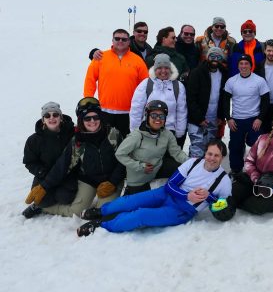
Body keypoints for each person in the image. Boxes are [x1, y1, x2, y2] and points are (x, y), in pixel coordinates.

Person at [76, 140, 233, 236]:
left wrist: (209, 196)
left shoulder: (223, 180)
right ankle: (101, 211)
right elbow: (171, 185)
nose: (212, 158)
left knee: (141, 215)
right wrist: (187, 195)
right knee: (131, 201)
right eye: (210, 154)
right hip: (167, 194)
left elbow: (223, 205)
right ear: (205, 153)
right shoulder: (193, 163)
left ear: (222, 157)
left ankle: (102, 226)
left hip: (182, 211)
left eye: (216, 155)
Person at [24, 97, 125, 217]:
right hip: (89, 180)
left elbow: (123, 160)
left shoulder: (113, 134)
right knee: (76, 211)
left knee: (104, 211)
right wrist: (44, 187)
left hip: (110, 180)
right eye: (87, 118)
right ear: (82, 120)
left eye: (96, 117)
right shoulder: (77, 141)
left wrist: (113, 182)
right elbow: (63, 165)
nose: (92, 121)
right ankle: (43, 208)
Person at [84, 29, 149, 136]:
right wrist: (88, 100)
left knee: (126, 145)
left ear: (129, 41)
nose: (120, 41)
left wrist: (144, 106)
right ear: (112, 40)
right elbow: (90, 79)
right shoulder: (100, 57)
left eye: (124, 39)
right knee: (106, 144)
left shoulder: (137, 60)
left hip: (129, 113)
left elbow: (145, 85)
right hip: (105, 111)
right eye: (117, 38)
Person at [116, 100, 187, 195]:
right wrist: (139, 166)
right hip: (138, 180)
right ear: (147, 116)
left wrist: (192, 163)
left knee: (181, 168)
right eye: (154, 115)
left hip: (156, 172)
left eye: (161, 116)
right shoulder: (137, 136)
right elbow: (120, 154)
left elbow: (177, 153)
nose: (158, 119)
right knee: (136, 207)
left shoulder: (167, 134)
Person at [21, 102, 76, 219]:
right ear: (43, 120)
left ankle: (49, 204)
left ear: (61, 118)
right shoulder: (34, 140)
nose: (52, 118)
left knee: (65, 198)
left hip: (66, 175)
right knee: (41, 200)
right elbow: (29, 162)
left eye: (55, 115)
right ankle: (38, 206)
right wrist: (40, 171)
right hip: (44, 176)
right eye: (47, 116)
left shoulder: (70, 133)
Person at [223, 54, 270, 175]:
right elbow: (225, 101)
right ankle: (236, 170)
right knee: (235, 147)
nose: (243, 66)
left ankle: (258, 170)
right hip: (237, 120)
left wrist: (260, 118)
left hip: (254, 119)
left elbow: (266, 101)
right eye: (241, 64)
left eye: (246, 63)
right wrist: (228, 118)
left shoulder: (259, 80)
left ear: (251, 65)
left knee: (258, 146)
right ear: (238, 66)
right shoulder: (231, 81)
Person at [130, 53, 187, 148]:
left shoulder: (178, 86)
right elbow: (136, 109)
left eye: (166, 68)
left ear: (170, 69)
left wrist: (180, 132)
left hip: (169, 131)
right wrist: (135, 131)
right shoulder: (146, 84)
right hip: (148, 131)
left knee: (169, 160)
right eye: (159, 68)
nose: (163, 71)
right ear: (154, 69)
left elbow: (181, 111)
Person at [186, 47, 228, 158]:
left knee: (209, 150)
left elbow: (224, 97)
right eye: (212, 56)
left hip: (213, 120)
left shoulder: (224, 73)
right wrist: (199, 118)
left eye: (218, 57)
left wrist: (221, 116)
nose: (215, 59)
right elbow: (190, 98)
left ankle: (206, 174)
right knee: (197, 150)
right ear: (207, 57)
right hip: (197, 119)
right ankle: (193, 172)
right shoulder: (197, 72)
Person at [254, 39, 273, 133]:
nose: (271, 53)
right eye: (269, 50)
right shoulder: (259, 67)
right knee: (265, 136)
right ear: (264, 51)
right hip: (263, 107)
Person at [88, 21, 153, 63]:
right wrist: (94, 52)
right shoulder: (126, 45)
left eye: (145, 32)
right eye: (139, 31)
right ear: (134, 33)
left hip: (143, 81)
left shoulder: (149, 49)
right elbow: (112, 53)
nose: (142, 33)